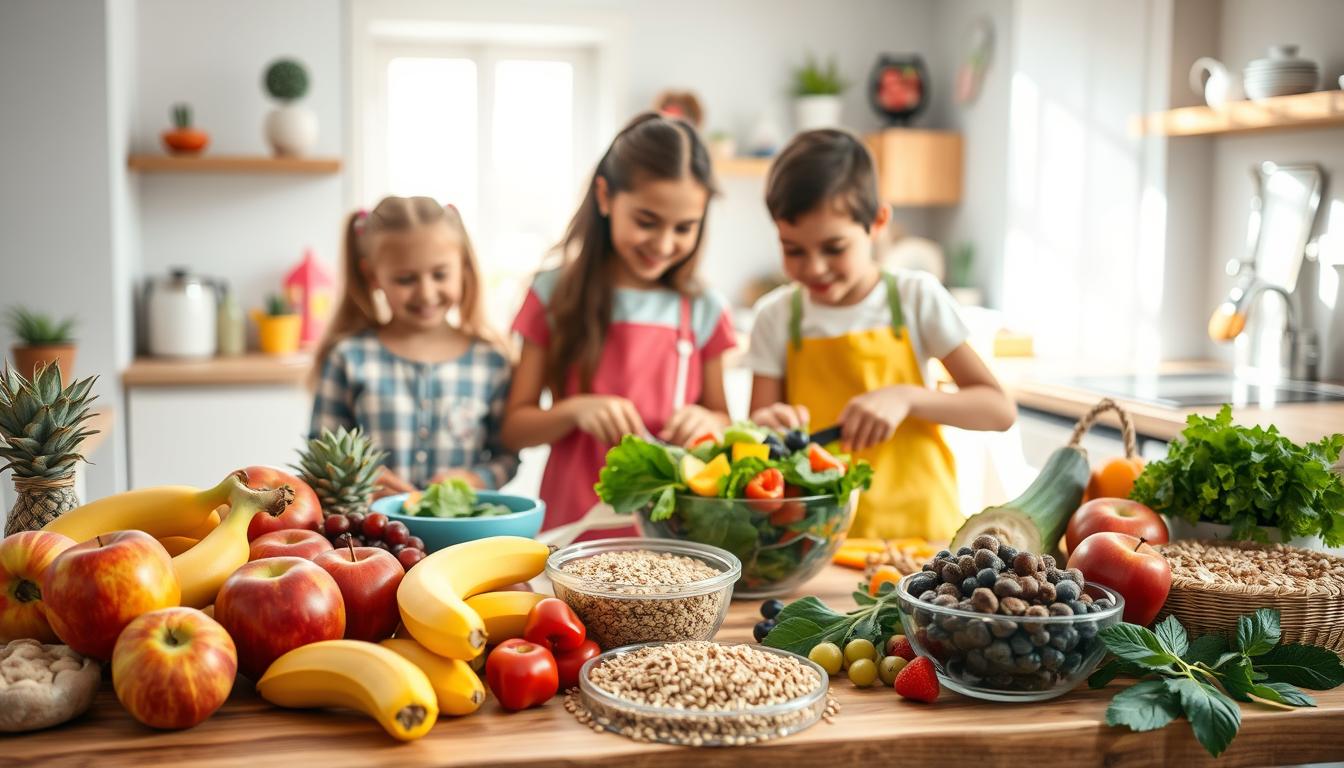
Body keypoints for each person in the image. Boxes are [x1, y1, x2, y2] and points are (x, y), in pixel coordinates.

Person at [745, 129, 1016, 540]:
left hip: (920, 536)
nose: (814, 268)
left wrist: (906, 396)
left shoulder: (914, 297)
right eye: (793, 249)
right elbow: (757, 439)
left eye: (834, 248)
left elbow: (998, 410)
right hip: (817, 540)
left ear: (877, 222)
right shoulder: (776, 316)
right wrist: (766, 427)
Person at [502, 112, 736, 530]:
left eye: (685, 227)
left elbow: (723, 418)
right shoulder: (552, 293)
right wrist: (575, 410)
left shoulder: (703, 306)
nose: (664, 244)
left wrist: (709, 422)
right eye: (647, 222)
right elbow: (515, 428)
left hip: (673, 529)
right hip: (574, 524)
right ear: (605, 197)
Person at [310, 196, 518, 496]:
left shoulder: (491, 362)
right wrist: (360, 477)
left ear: (463, 266)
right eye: (406, 279)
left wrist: (476, 479)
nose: (426, 292)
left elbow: (507, 456)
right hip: (371, 538)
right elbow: (320, 456)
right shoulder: (349, 359)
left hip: (464, 536)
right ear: (372, 276)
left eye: (440, 275)